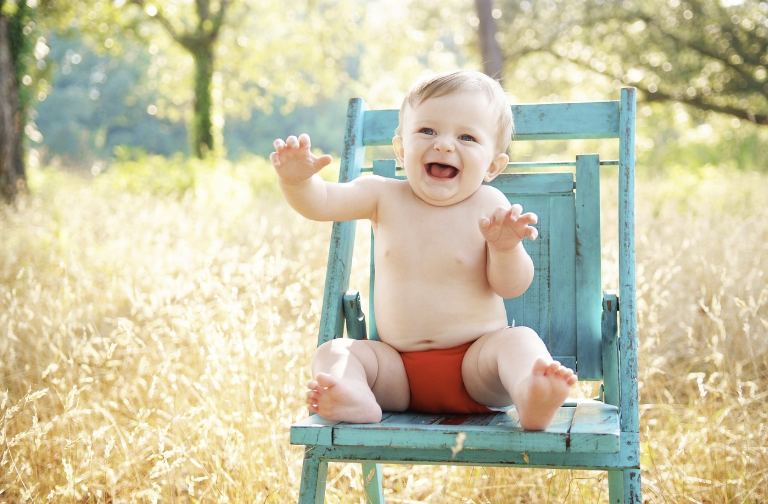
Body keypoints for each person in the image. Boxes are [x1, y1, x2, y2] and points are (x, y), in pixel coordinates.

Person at [270, 70, 577, 430]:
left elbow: (512, 287)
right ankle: (354, 396)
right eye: (427, 131)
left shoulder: (490, 205)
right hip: (395, 370)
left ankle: (531, 393)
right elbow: (321, 203)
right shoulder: (380, 195)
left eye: (466, 136)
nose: (445, 145)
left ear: (493, 165)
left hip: (475, 368)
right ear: (401, 149)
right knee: (334, 351)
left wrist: (506, 248)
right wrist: (297, 180)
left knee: (519, 340)